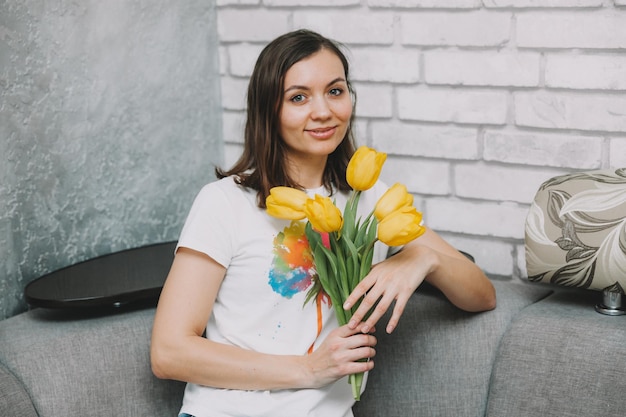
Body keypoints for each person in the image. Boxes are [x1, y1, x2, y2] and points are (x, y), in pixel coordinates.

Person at [150, 29, 496, 417]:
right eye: (298, 97)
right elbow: (168, 352)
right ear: (269, 110)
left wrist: (422, 259)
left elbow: (482, 295)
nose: (323, 111)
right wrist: (310, 369)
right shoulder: (225, 202)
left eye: (335, 91)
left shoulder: (367, 198)